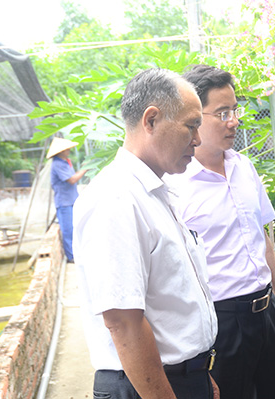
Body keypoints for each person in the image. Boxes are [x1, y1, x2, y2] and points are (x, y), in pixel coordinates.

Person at [73, 68, 219, 399]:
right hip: (144, 386)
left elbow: (172, 304)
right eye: (191, 126)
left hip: (178, 378)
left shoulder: (156, 192)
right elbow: (124, 323)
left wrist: (198, 373)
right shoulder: (116, 198)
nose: (197, 139)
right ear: (151, 120)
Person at [164, 64, 275, 399]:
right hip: (221, 323)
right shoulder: (175, 185)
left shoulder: (243, 166)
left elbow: (263, 239)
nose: (234, 121)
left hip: (266, 312)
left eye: (235, 110)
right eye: (222, 112)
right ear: (195, 117)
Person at [47, 137, 87, 262]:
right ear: (60, 151)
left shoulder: (66, 162)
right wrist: (85, 169)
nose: (69, 150)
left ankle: (78, 253)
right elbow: (72, 180)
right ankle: (71, 257)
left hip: (72, 200)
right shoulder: (58, 164)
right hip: (64, 202)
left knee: (76, 227)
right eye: (66, 148)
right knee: (68, 230)